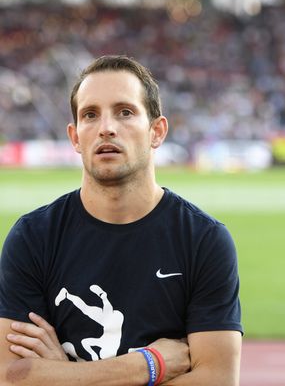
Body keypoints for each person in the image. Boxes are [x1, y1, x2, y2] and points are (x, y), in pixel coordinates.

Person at [0, 55, 243, 385]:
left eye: (125, 112)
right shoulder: (33, 237)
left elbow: (217, 380)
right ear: (75, 137)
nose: (106, 128)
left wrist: (64, 376)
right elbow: (12, 378)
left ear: (156, 131)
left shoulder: (203, 240)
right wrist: (149, 364)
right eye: (90, 115)